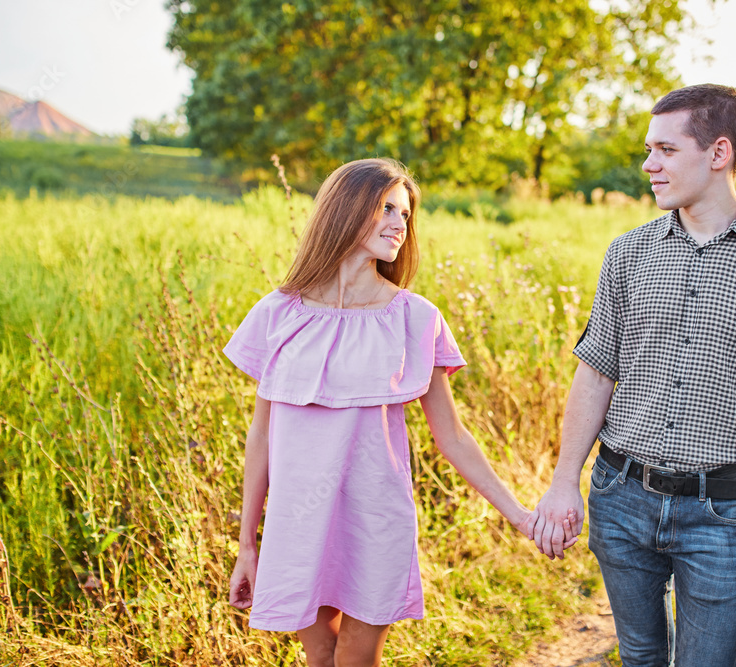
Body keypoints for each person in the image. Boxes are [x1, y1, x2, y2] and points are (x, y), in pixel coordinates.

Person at [529, 84, 736, 665]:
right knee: (640, 656)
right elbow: (595, 375)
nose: (649, 165)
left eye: (666, 150)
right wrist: (564, 480)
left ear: (718, 153)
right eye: (649, 150)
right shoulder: (627, 253)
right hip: (620, 497)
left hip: (720, 513)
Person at [223, 157, 533, 667]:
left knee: (355, 660)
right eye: (386, 208)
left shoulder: (416, 317)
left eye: (405, 214)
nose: (399, 223)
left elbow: (452, 437)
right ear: (345, 209)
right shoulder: (278, 313)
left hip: (374, 522)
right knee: (320, 658)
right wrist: (247, 546)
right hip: (298, 524)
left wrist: (518, 514)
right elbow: (261, 438)